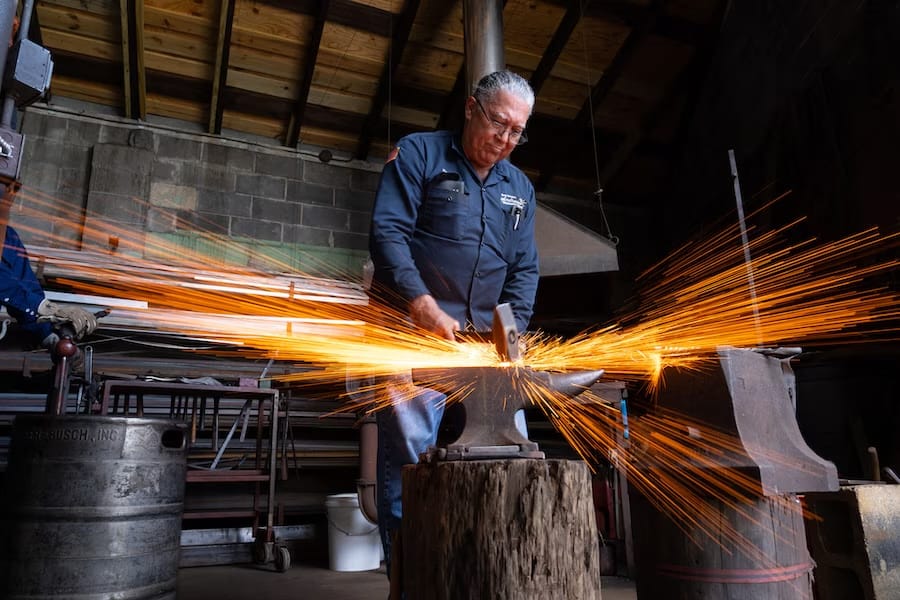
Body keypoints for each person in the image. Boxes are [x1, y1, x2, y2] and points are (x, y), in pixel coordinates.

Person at [368, 70, 540, 573]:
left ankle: (486, 571)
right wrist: (420, 303)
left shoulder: (520, 188)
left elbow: (524, 269)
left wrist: (513, 333)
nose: (505, 140)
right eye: (498, 124)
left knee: (509, 451)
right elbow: (387, 233)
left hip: (484, 350)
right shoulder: (419, 154)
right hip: (413, 336)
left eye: (517, 132)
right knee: (411, 460)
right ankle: (409, 572)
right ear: (470, 109)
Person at [1, 188, 97, 349]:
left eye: (13, 189)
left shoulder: (8, 237)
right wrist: (44, 307)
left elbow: (26, 284)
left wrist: (48, 336)